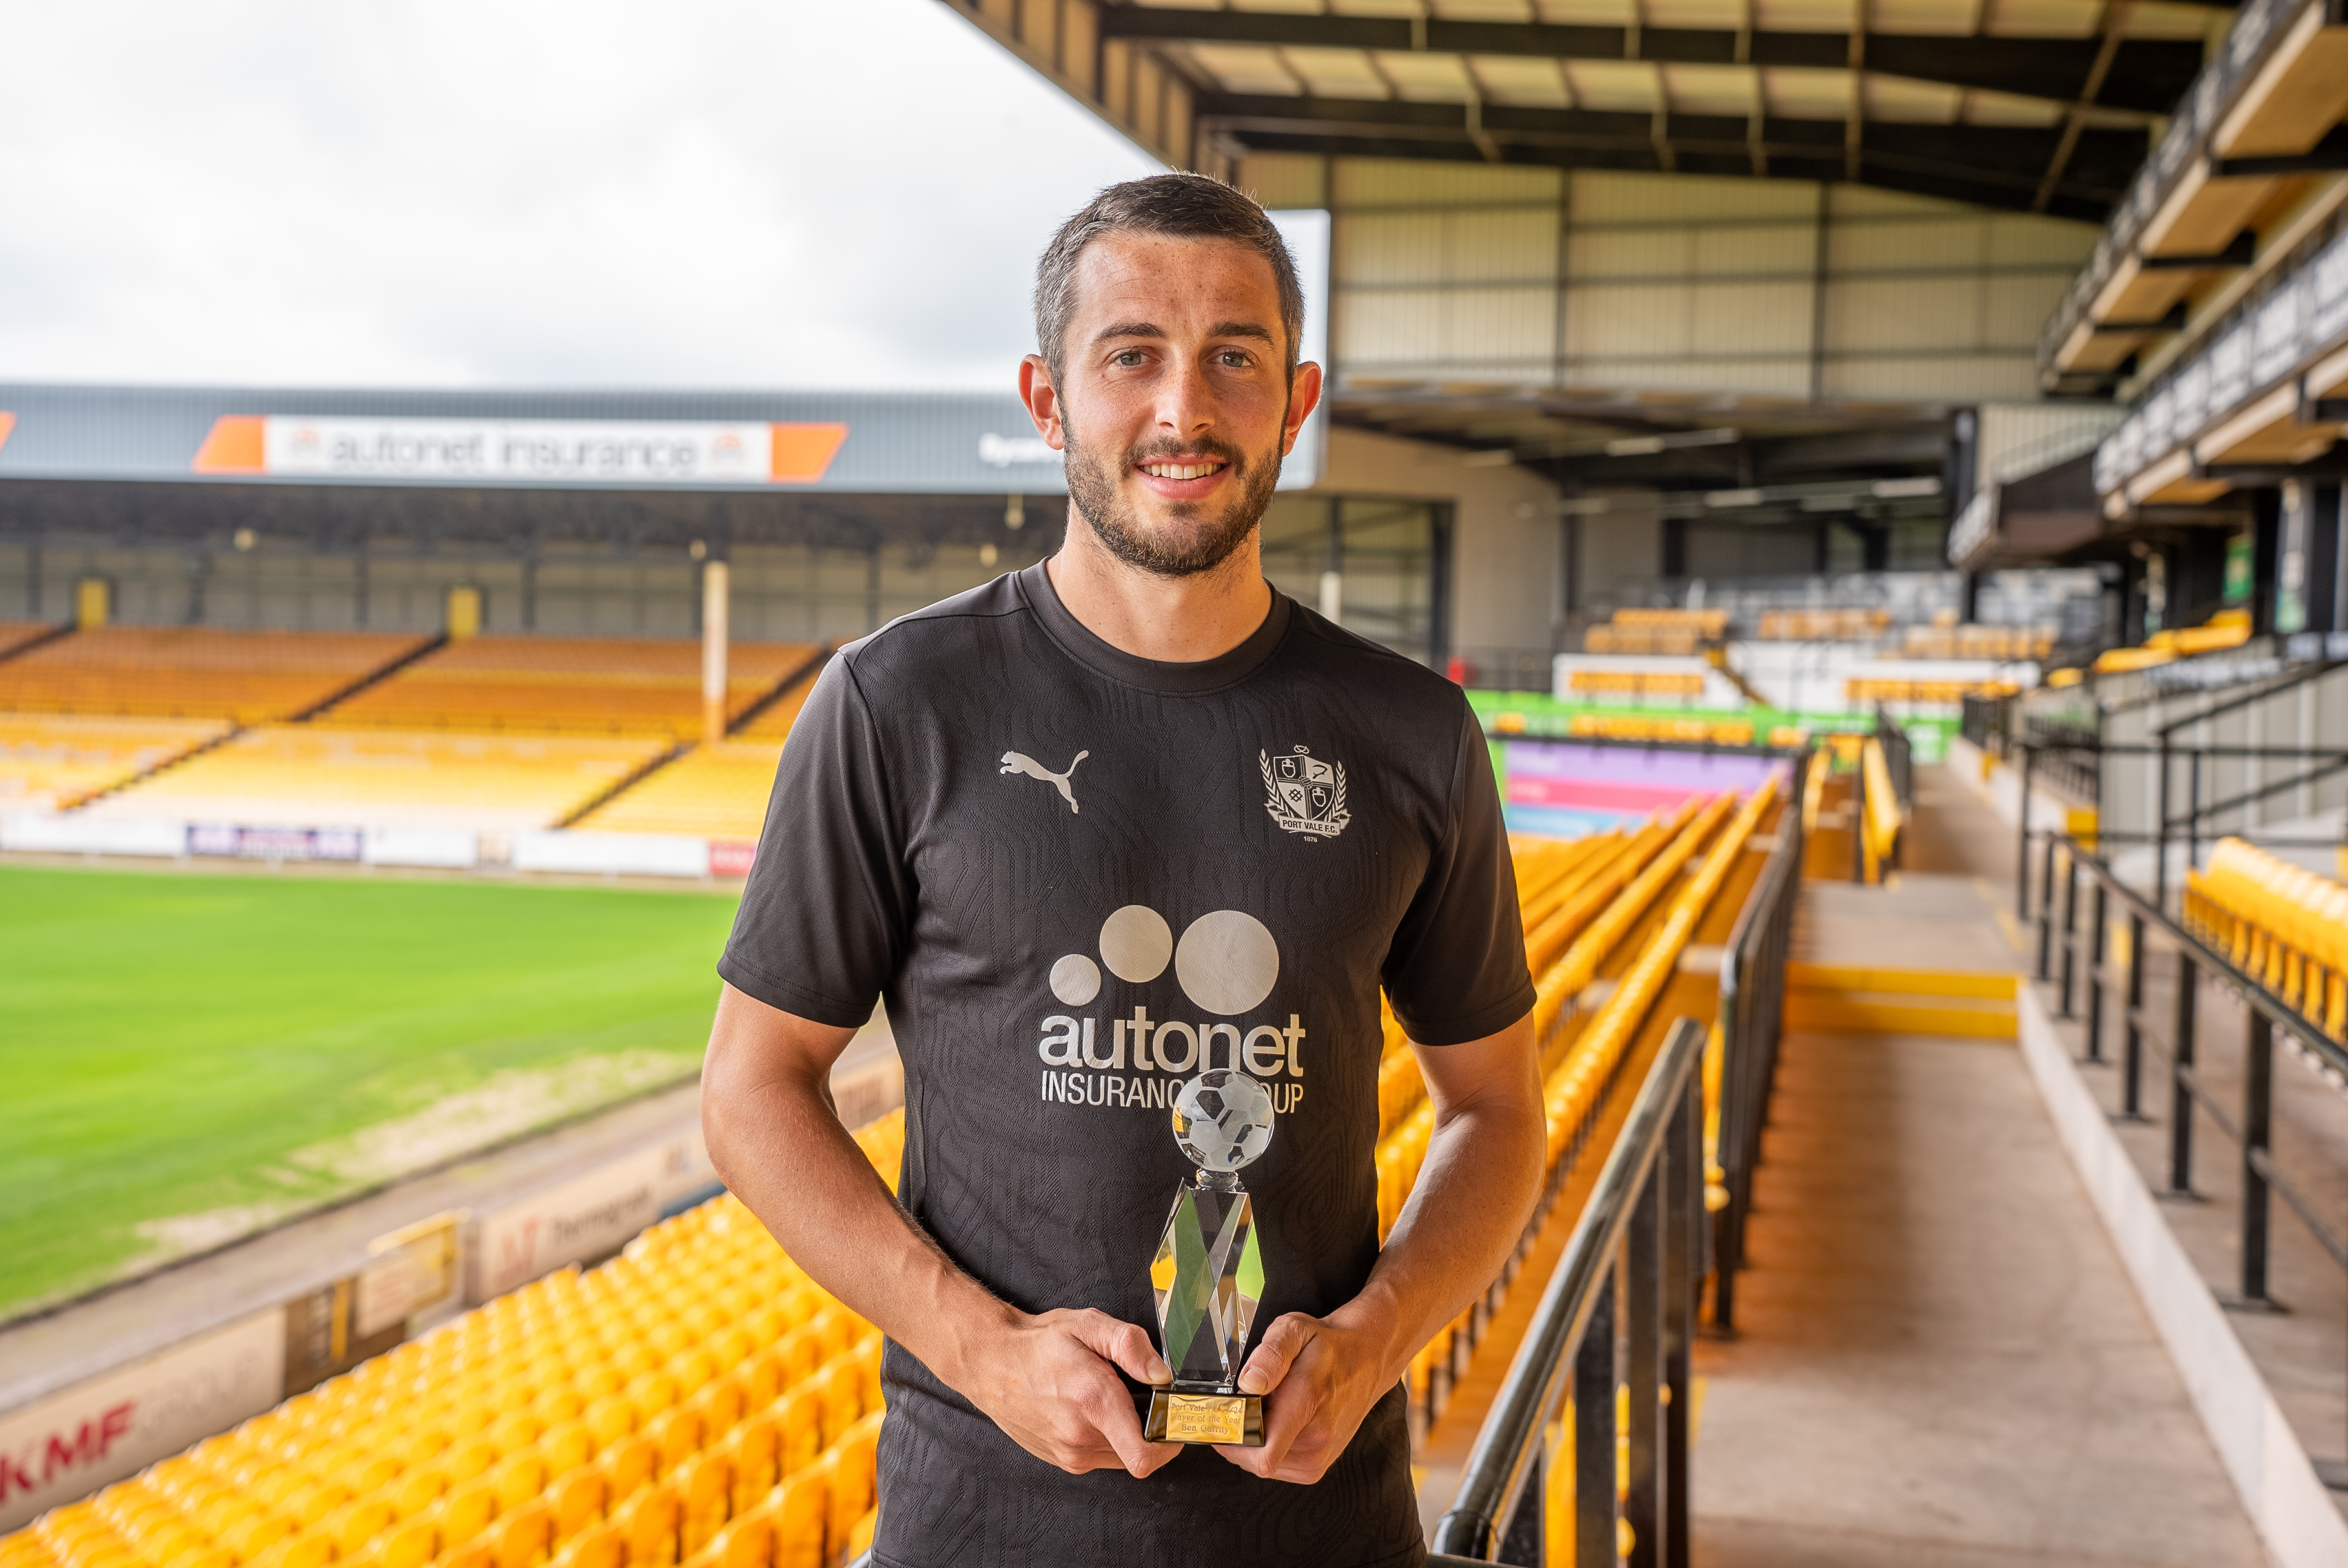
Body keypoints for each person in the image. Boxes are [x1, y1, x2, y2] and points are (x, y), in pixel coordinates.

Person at [702, 172, 1542, 1568]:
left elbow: (1496, 1114)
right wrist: (983, 1349)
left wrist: (1374, 1338)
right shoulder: (895, 704)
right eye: (1131, 355)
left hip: (1320, 1534)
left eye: (1234, 358)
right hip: (980, 1527)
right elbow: (748, 1093)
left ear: (1298, 399)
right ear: (1045, 398)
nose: (1183, 410)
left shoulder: (1411, 734)